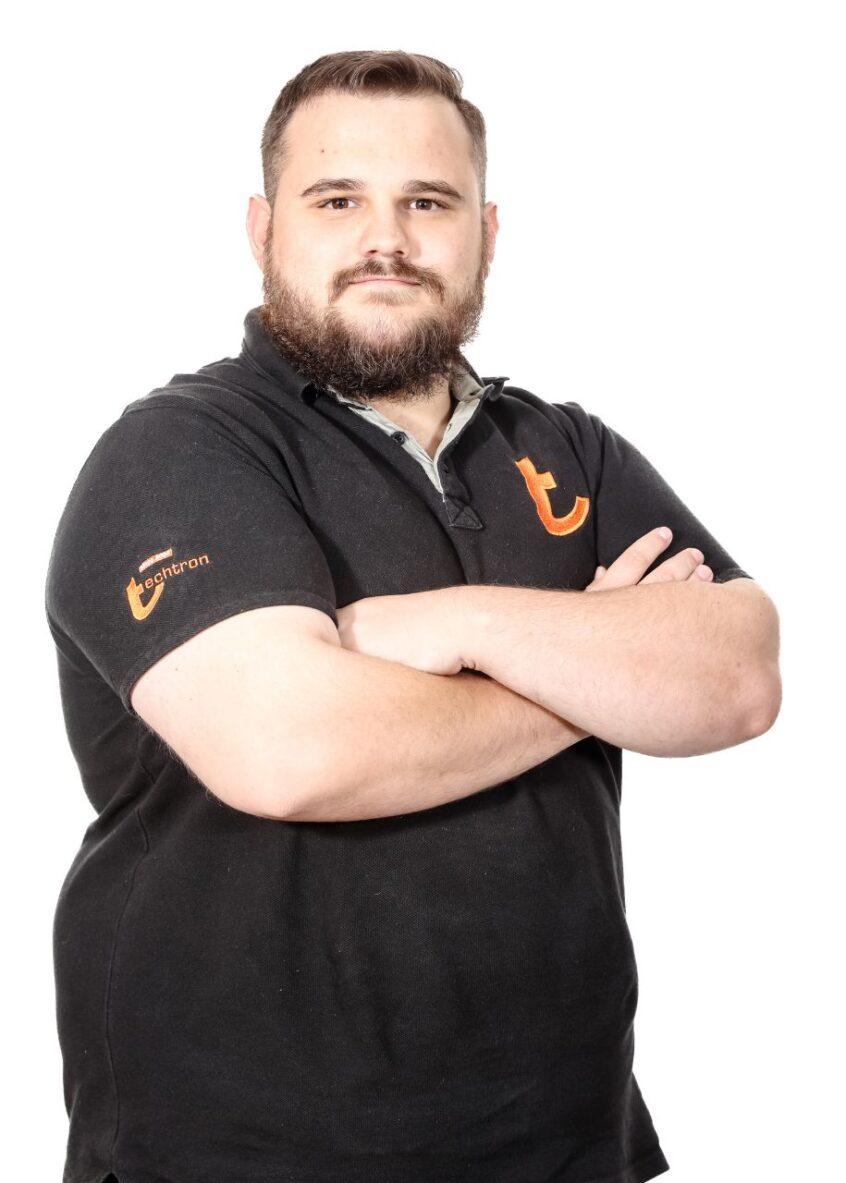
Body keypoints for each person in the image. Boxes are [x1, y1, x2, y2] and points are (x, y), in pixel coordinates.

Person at [44, 49, 781, 1183]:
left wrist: (454, 622)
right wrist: (593, 669)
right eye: (337, 201)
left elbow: (738, 677)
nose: (384, 240)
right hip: (238, 1152)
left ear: (487, 231)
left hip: (565, 1142)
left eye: (427, 203)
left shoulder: (567, 449)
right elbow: (290, 748)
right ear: (263, 228)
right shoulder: (180, 452)